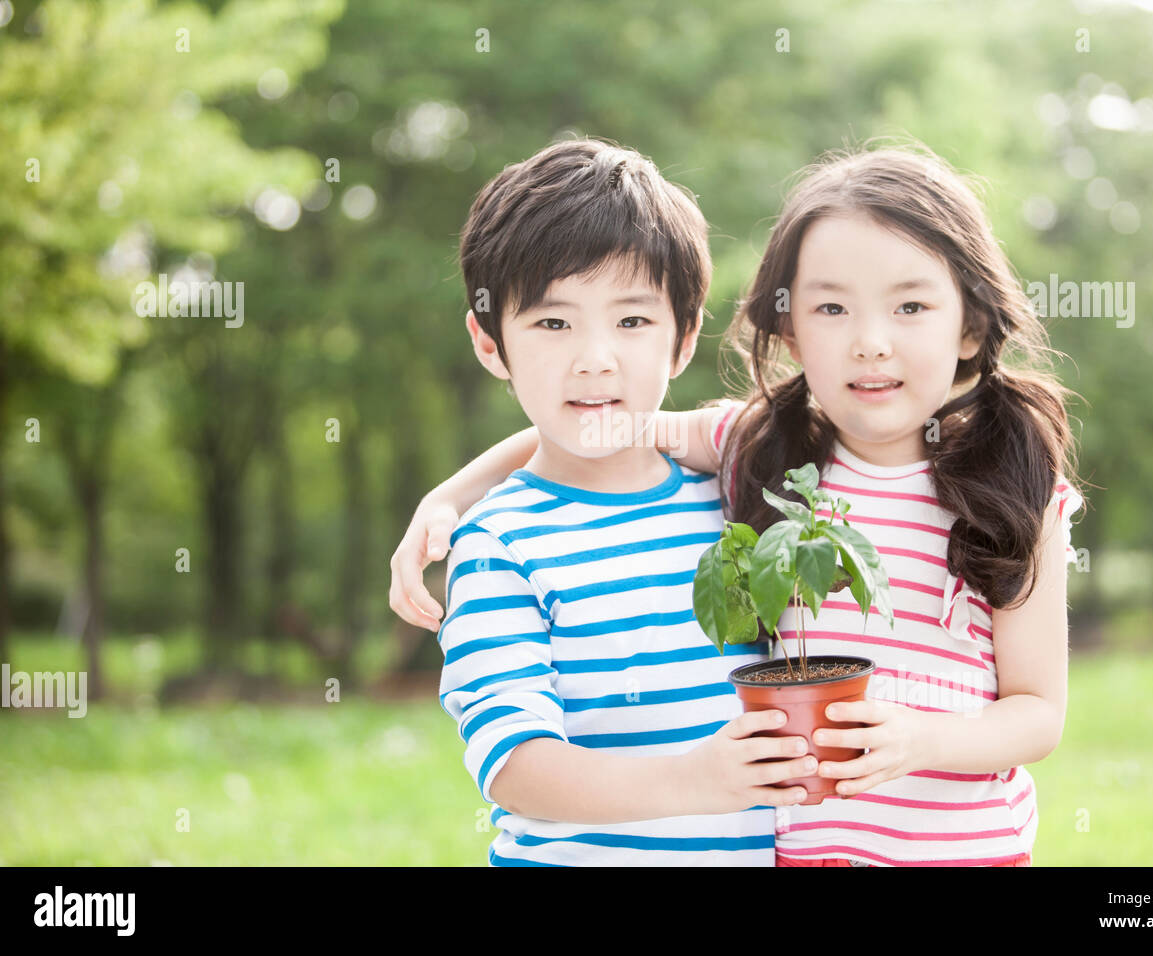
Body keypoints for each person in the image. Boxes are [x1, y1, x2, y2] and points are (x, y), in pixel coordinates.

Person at [394, 141, 1088, 867]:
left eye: (911, 305)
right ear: (790, 328)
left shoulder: (993, 489)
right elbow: (593, 434)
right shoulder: (758, 455)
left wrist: (921, 740)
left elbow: (1039, 711)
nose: (872, 344)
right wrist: (451, 499)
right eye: (832, 308)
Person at [429, 137, 814, 866]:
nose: (595, 357)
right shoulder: (497, 546)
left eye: (632, 321)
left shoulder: (735, 501)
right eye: (552, 322)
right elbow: (517, 768)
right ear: (488, 342)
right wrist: (697, 779)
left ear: (684, 338)